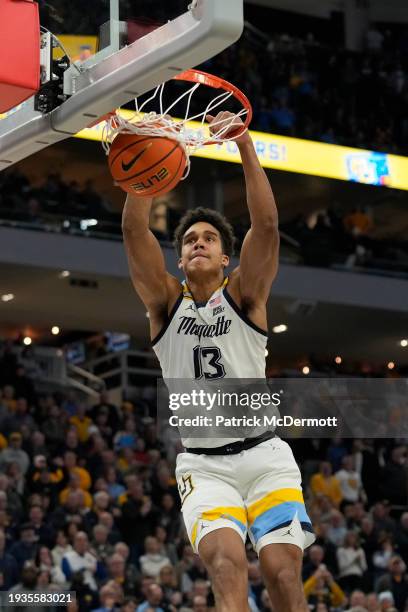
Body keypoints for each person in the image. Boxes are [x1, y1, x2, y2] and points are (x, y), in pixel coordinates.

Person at [122, 111, 314, 611]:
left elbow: (267, 226)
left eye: (208, 238)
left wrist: (244, 142)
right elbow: (133, 231)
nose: (198, 243)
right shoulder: (165, 305)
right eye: (189, 241)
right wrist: (148, 159)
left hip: (265, 458)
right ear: (180, 260)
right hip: (205, 466)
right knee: (226, 565)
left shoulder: (246, 297)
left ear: (225, 257)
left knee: (283, 575)